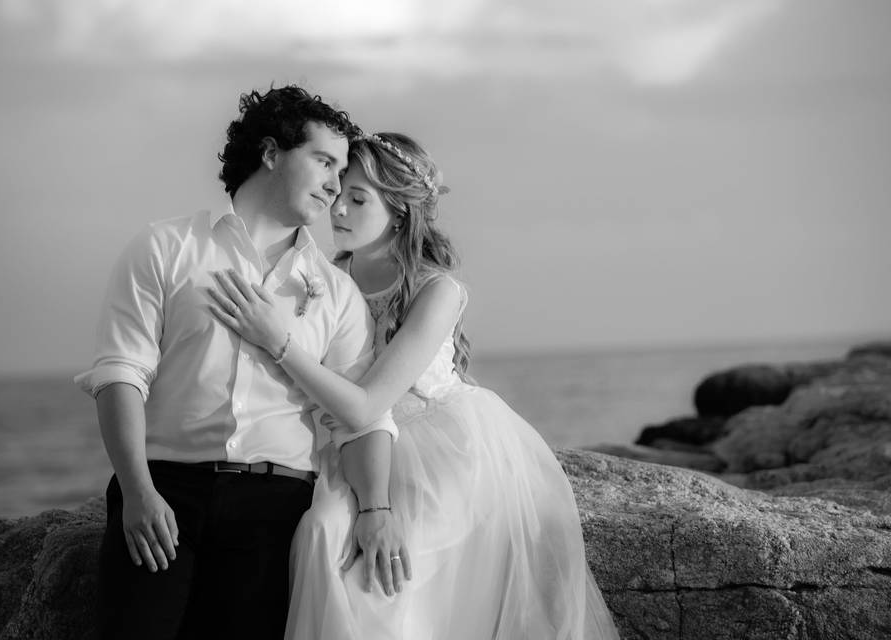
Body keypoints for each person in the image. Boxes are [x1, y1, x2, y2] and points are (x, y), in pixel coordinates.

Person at [207, 132, 621, 639]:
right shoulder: (324, 278)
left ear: (400, 211)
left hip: (440, 451)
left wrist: (278, 341)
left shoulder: (436, 290)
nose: (337, 210)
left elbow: (368, 404)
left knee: (381, 582)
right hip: (350, 447)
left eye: (358, 199)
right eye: (336, 192)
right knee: (317, 533)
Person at [75, 86, 409, 640]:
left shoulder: (337, 292)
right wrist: (137, 491)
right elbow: (120, 373)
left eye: (342, 169)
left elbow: (362, 420)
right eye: (324, 162)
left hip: (276, 511)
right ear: (272, 153)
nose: (334, 184)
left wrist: (376, 510)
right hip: (165, 495)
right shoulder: (165, 246)